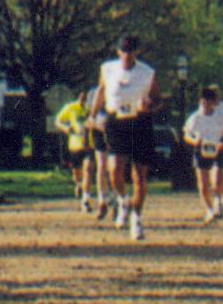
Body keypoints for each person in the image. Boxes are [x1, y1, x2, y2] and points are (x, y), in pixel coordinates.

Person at [96, 32, 159, 240]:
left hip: (139, 122)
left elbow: (158, 99)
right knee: (114, 170)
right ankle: (123, 200)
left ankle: (137, 219)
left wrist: (148, 106)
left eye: (131, 52)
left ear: (137, 52)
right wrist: (92, 115)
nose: (127, 55)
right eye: (123, 51)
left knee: (139, 175)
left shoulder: (147, 73)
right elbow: (101, 91)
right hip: (116, 121)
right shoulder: (108, 69)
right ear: (118, 52)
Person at [182, 82, 223, 224]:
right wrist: (194, 141)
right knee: (203, 183)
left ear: (213, 102)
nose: (205, 103)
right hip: (201, 149)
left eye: (208, 101)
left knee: (219, 176)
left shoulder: (220, 116)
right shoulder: (194, 118)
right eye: (203, 101)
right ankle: (209, 209)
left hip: (217, 148)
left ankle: (219, 199)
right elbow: (186, 135)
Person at [53, 86, 98, 212]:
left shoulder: (93, 109)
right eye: (81, 98)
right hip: (75, 145)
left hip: (90, 144)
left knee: (88, 170)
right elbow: (58, 121)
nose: (83, 101)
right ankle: (78, 185)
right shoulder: (71, 108)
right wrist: (66, 129)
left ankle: (86, 200)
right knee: (77, 173)